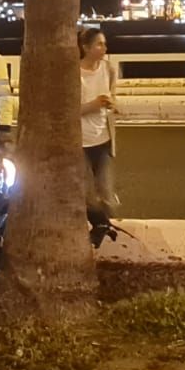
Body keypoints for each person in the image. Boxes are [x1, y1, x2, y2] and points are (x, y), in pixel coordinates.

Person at [78, 27, 119, 230]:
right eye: (99, 44)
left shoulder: (108, 69)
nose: (104, 48)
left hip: (103, 139)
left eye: (104, 43)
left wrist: (112, 105)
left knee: (106, 192)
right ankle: (92, 230)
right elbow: (68, 111)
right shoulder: (74, 73)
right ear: (86, 47)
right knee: (87, 194)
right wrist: (93, 105)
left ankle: (110, 231)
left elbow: (113, 97)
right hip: (81, 142)